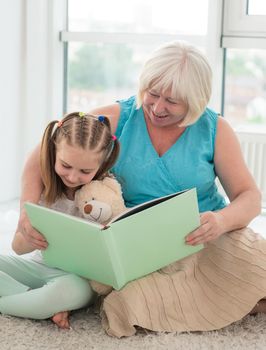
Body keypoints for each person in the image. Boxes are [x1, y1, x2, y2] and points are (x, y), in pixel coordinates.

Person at [16, 41, 266, 337]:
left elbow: (249, 197)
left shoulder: (215, 129)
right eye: (153, 94)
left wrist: (221, 221)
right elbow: (43, 153)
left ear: (196, 100)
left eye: (172, 101)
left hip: (204, 235)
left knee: (256, 267)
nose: (158, 108)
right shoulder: (119, 117)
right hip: (140, 246)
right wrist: (26, 212)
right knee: (132, 301)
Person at [0, 112, 120, 329]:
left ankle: (36, 302)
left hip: (77, 279)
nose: (73, 177)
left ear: (101, 164)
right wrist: (31, 236)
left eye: (85, 171)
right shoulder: (43, 188)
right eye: (66, 165)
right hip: (37, 266)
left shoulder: (104, 194)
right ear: (54, 151)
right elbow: (17, 248)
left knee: (63, 292)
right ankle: (32, 300)